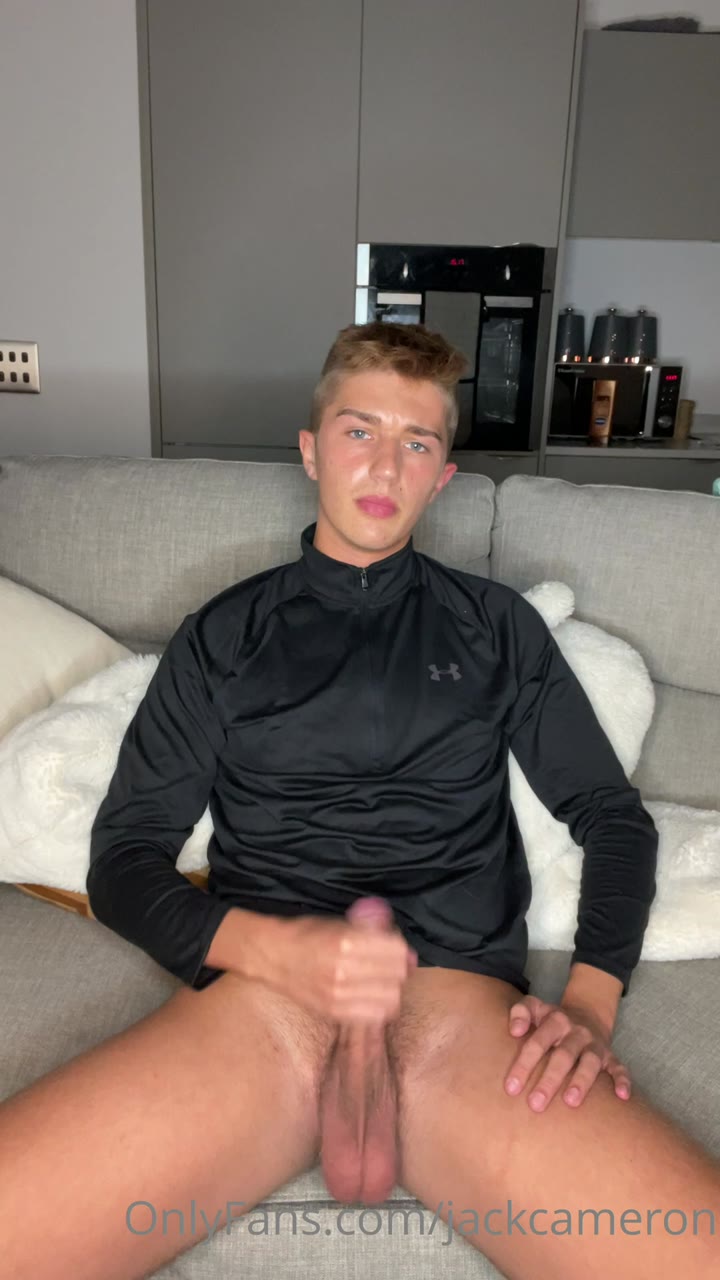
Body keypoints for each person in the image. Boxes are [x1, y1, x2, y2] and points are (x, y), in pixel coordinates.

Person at [0, 322, 718, 1279]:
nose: (385, 464)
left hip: (457, 1012)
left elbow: (612, 817)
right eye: (358, 431)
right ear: (310, 450)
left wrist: (589, 1003)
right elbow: (124, 858)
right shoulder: (222, 635)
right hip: (265, 1006)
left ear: (442, 476)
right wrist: (276, 952)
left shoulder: (498, 627)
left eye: (416, 442)